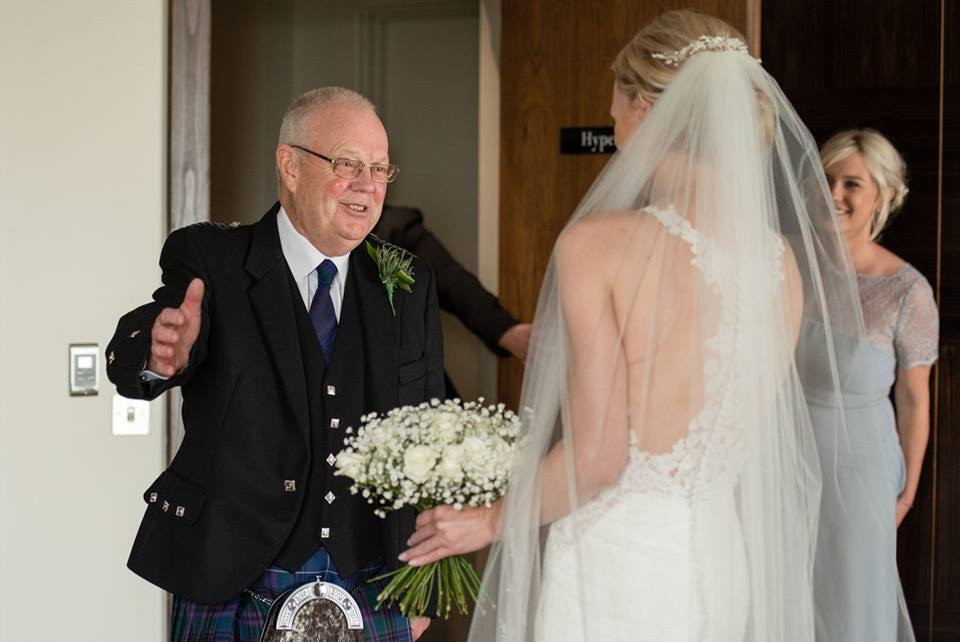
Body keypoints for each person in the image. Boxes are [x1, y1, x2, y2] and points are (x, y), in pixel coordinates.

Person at [398, 10, 864, 641]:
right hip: (722, 555)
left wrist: (484, 522)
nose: (615, 128)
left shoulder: (599, 247)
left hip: (621, 563)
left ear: (648, 109)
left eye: (616, 108)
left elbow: (596, 457)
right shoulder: (781, 263)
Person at [106, 87, 441, 642]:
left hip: (372, 585)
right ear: (290, 165)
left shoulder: (408, 283)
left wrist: (422, 593)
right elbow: (137, 351)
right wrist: (159, 354)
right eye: (347, 164)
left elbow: (428, 440)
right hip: (234, 580)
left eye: (380, 168)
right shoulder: (215, 260)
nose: (368, 185)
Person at [810, 129, 938, 642]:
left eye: (851, 183)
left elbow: (912, 398)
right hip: (789, 455)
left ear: (883, 195)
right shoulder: (791, 262)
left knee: (851, 597)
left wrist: (905, 494)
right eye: (825, 180)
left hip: (860, 470)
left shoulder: (907, 291)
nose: (834, 194)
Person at [373, 205, 531, 397]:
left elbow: (447, 277)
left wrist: (505, 329)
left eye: (379, 172)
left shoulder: (392, 226)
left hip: (400, 385)